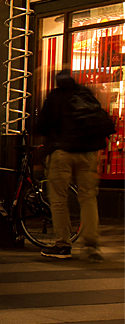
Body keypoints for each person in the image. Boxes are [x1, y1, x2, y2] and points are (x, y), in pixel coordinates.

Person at [37, 69, 113, 260]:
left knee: (59, 200)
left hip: (62, 153)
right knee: (88, 198)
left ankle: (63, 245)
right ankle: (91, 244)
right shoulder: (85, 93)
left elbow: (42, 126)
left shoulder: (55, 96)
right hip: (88, 154)